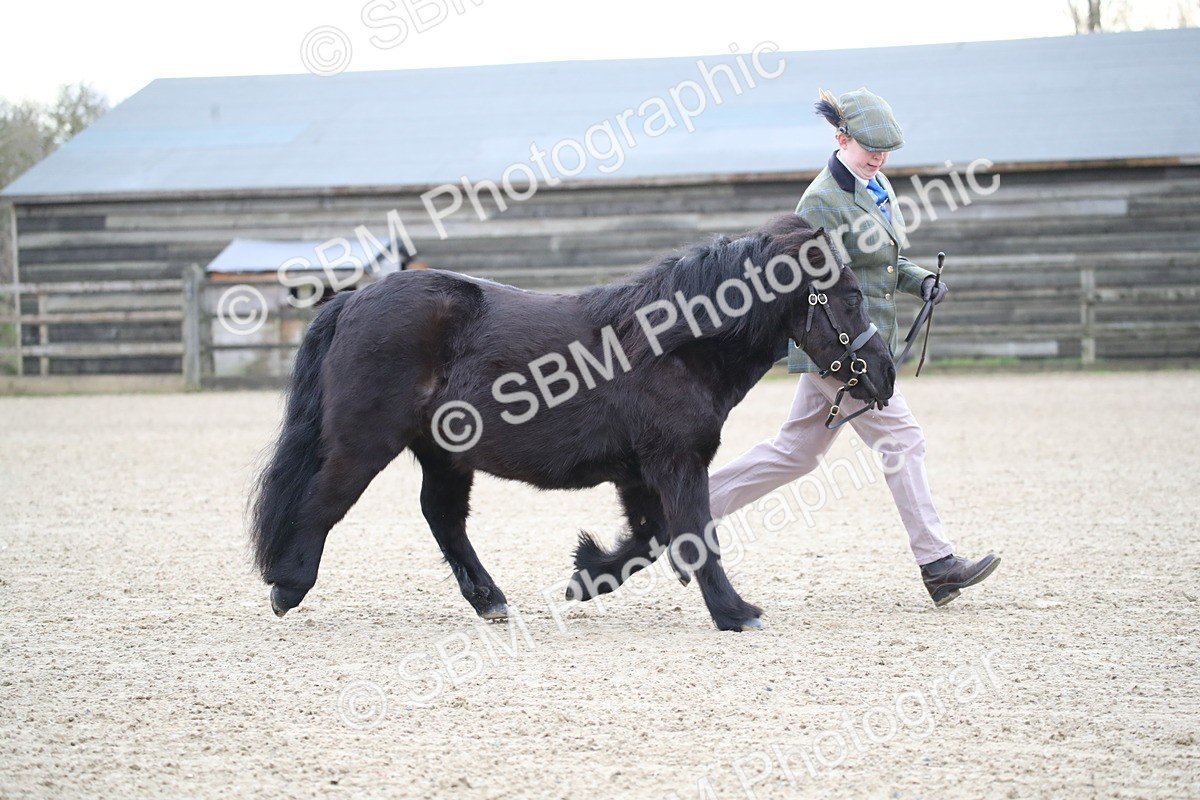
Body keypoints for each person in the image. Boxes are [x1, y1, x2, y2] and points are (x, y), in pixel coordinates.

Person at [708, 87, 999, 606]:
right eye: (871, 149)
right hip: (840, 349)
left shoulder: (877, 183)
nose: (880, 158)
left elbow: (881, 262)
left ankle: (688, 508)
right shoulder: (821, 200)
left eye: (886, 151)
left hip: (864, 342)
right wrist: (848, 350)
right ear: (841, 139)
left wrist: (919, 281)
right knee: (903, 439)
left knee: (794, 454)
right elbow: (821, 287)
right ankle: (937, 563)